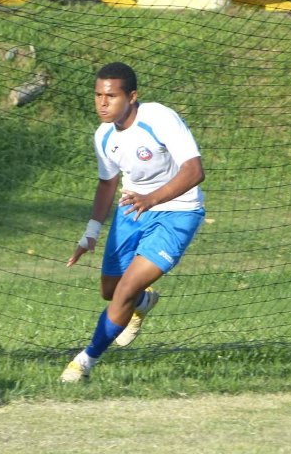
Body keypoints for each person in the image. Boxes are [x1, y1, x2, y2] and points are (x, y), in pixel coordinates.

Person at [60, 62, 205, 382]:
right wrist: (91, 233)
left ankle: (84, 362)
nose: (102, 102)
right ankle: (144, 301)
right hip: (132, 211)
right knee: (110, 290)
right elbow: (107, 183)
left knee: (126, 287)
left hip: (178, 212)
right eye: (98, 95)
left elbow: (195, 171)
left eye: (110, 96)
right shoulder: (103, 136)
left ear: (132, 97)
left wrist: (152, 199)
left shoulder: (160, 118)